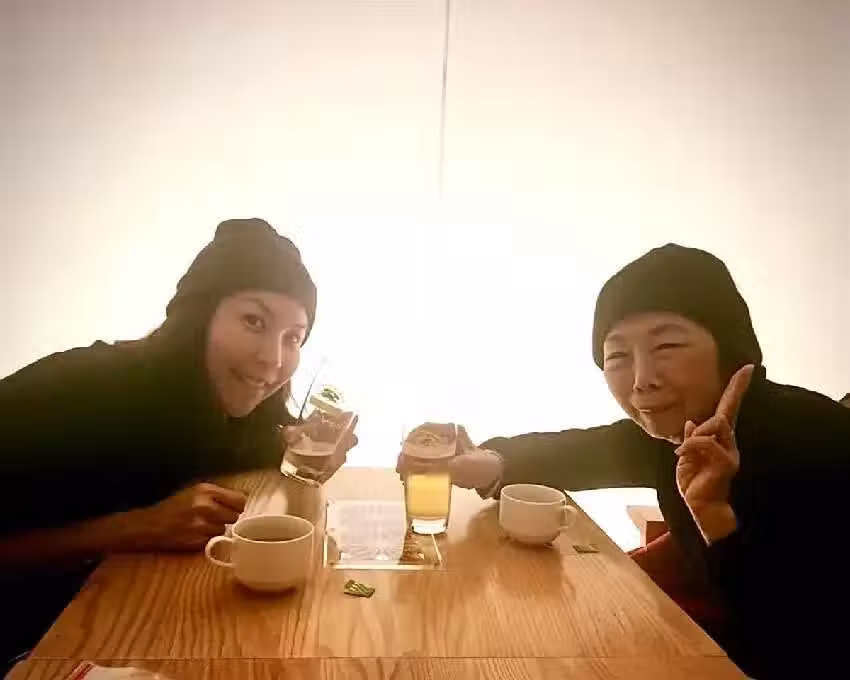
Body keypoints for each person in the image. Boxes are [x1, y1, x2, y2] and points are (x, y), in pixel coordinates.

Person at [402, 244, 850, 679]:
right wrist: (484, 460)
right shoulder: (679, 430)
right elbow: (576, 452)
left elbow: (795, 636)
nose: (642, 380)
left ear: (732, 350)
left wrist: (716, 519)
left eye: (667, 346)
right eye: (617, 356)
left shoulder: (818, 442)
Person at [0, 218, 357, 669]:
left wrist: (300, 456)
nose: (273, 358)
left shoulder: (233, 412)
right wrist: (136, 527)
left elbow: (265, 457)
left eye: (293, 338)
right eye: (254, 321)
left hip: (122, 636)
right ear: (199, 315)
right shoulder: (78, 388)